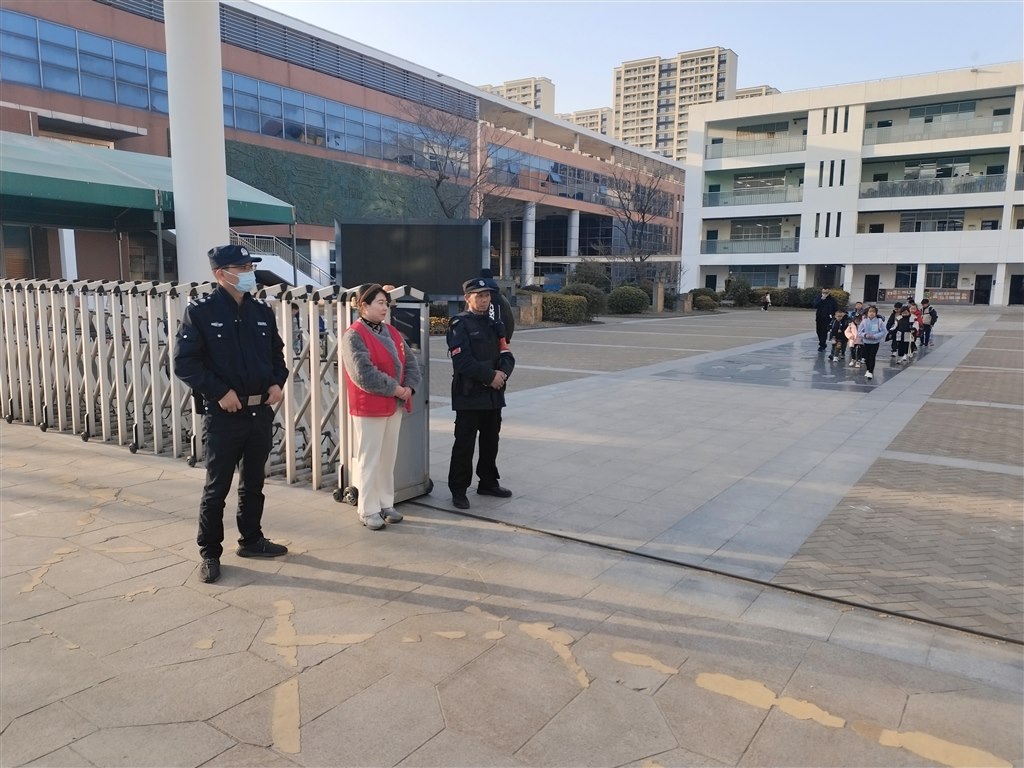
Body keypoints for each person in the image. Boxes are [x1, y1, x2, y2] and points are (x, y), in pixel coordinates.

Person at [174, 244, 290, 584]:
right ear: (220, 273)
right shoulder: (200, 312)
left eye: (249, 267)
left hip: (259, 411)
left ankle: (251, 540)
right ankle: (210, 552)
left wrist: (277, 382)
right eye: (241, 268)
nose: (249, 273)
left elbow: (277, 354)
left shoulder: (261, 310)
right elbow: (184, 363)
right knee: (217, 487)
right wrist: (219, 392)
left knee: (254, 483)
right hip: (224, 415)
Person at [341, 284, 422, 530]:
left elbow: (410, 362)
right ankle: (367, 509)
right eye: (380, 303)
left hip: (393, 404)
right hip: (370, 406)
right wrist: (397, 389)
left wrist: (409, 387)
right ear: (363, 305)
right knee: (370, 458)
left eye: (386, 303)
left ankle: (386, 502)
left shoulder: (392, 331)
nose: (385, 307)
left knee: (387, 457)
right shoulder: (353, 335)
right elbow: (363, 374)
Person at [447, 277, 516, 510]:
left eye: (487, 295)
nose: (485, 300)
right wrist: (490, 377)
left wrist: (502, 374)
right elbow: (462, 361)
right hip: (469, 395)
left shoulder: (494, 324)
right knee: (464, 445)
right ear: (468, 298)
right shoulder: (459, 324)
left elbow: (506, 354)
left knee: (490, 442)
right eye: (480, 295)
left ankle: (488, 482)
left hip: (492, 396)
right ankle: (458, 489)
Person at [858, 305, 887, 380]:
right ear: (867, 313)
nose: (872, 313)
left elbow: (884, 331)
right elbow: (859, 332)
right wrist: (865, 335)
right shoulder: (864, 321)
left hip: (875, 342)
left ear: (876, 313)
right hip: (866, 342)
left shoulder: (879, 321)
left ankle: (870, 371)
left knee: (872, 356)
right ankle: (868, 369)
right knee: (867, 357)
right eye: (870, 311)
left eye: (873, 312)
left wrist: (875, 336)